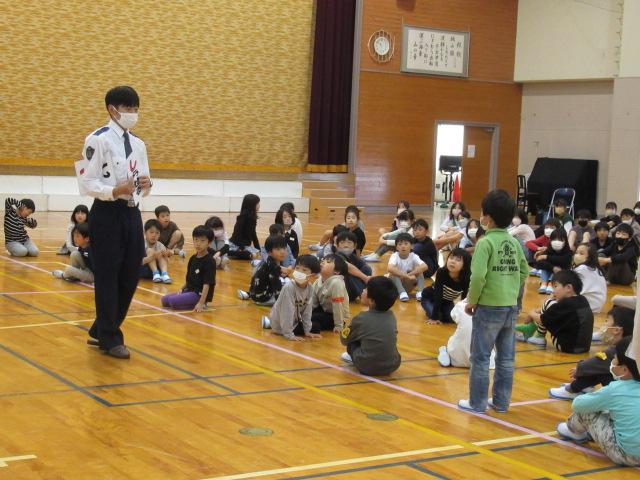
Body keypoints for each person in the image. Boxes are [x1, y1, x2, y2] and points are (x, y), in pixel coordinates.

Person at [80, 85, 152, 359]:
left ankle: (101, 327)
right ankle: (110, 338)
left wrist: (147, 185)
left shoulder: (139, 144)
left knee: (131, 273)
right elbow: (87, 183)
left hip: (132, 213)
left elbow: (143, 183)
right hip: (107, 213)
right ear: (112, 110)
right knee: (108, 276)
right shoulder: (97, 140)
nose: (133, 113)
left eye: (136, 108)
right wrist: (113, 191)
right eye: (127, 108)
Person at [458, 189, 529, 414]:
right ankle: (501, 402)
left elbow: (478, 276)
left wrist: (472, 300)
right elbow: (524, 271)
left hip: (489, 307)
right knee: (506, 358)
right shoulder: (514, 242)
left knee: (480, 357)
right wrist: (512, 291)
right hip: (510, 306)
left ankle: (477, 403)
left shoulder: (485, 243)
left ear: (487, 217)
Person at [557, 336, 640, 466]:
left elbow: (578, 405)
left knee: (587, 412)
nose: (612, 361)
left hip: (626, 455)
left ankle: (573, 431)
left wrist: (597, 400)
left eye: (614, 359)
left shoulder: (615, 389)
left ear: (624, 369)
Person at [549, 306, 635, 400]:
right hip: (630, 388)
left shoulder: (616, 350)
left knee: (598, 369)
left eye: (606, 321)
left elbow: (596, 362)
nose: (604, 324)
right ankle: (584, 386)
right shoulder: (631, 345)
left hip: (624, 392)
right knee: (600, 368)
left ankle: (572, 389)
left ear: (616, 330)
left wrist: (579, 369)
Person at [340, 276, 401, 376]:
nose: (363, 290)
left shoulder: (361, 318)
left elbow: (344, 340)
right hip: (392, 365)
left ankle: (356, 358)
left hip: (366, 367)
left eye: (366, 289)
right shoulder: (391, 316)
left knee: (352, 343)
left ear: (372, 301)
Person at [521, 270, 594, 352]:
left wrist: (531, 313)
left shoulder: (565, 304)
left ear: (568, 288)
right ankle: (535, 332)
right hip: (584, 347)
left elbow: (541, 319)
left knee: (548, 303)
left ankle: (539, 336)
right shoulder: (583, 300)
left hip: (566, 347)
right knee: (550, 307)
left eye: (555, 286)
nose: (553, 291)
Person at [261, 255, 322, 341]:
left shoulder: (310, 288)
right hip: (281, 324)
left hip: (293, 321)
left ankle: (269, 323)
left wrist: (307, 331)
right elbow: (287, 312)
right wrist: (289, 335)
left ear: (312, 275)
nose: (299, 272)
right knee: (315, 326)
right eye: (297, 268)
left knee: (316, 327)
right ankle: (272, 324)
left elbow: (307, 311)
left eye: (304, 270)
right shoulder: (289, 287)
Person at [162, 226, 216, 312]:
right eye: (196, 240)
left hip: (199, 294)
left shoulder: (209, 261)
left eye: (202, 241)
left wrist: (201, 303)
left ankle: (202, 303)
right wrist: (182, 288)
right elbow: (190, 279)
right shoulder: (193, 258)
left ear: (209, 242)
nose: (198, 243)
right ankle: (187, 299)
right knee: (164, 300)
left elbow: (207, 284)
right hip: (189, 290)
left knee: (172, 301)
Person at [437, 299, 496, 370]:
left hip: (457, 360)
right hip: (485, 363)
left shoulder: (460, 306)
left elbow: (454, 317)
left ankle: (444, 351)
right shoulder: (493, 309)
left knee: (454, 338)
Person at [421, 248, 471, 324]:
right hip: (430, 298)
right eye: (451, 258)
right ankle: (431, 309)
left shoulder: (466, 278)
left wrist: (463, 315)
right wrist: (434, 317)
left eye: (458, 260)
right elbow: (438, 294)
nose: (453, 261)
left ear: (464, 266)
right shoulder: (442, 272)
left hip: (447, 302)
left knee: (451, 319)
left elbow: (464, 298)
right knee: (438, 317)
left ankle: (439, 311)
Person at [237, 235, 287, 306]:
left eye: (284, 248)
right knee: (287, 291)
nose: (282, 252)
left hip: (255, 294)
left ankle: (248, 294)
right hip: (263, 298)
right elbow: (276, 286)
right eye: (278, 249)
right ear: (269, 252)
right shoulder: (273, 266)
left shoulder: (269, 261)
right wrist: (281, 303)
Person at [311, 254, 350, 333]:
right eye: (323, 260)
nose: (322, 262)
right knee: (306, 316)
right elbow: (312, 302)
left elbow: (338, 305)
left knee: (314, 318)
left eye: (328, 262)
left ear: (337, 271)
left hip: (337, 317)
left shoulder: (337, 283)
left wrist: (339, 325)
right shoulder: (318, 280)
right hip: (324, 310)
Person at [387, 233, 428, 302]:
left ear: (412, 246)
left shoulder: (413, 256)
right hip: (394, 286)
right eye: (400, 244)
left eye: (406, 244)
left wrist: (409, 274)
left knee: (420, 271)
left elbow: (425, 266)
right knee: (393, 273)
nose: (403, 246)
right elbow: (390, 268)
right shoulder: (394, 256)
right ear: (396, 247)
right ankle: (402, 292)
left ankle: (420, 292)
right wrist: (405, 275)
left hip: (406, 285)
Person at [532, 228, 572, 294]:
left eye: (560, 240)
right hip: (549, 273)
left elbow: (564, 261)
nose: (557, 242)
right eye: (554, 239)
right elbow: (539, 263)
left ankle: (551, 284)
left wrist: (546, 257)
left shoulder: (568, 252)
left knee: (558, 268)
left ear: (565, 241)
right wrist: (552, 268)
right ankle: (544, 283)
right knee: (545, 268)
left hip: (561, 275)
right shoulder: (548, 250)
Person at [334, 231, 372, 301]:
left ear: (355, 246)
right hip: (341, 289)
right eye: (342, 243)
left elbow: (365, 266)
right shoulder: (337, 256)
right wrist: (365, 278)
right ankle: (360, 294)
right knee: (349, 274)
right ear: (337, 246)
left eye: (349, 242)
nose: (346, 245)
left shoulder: (353, 257)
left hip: (352, 288)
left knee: (366, 268)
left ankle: (364, 291)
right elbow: (347, 266)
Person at [572, 243, 606, 314]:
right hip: (595, 306)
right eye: (576, 253)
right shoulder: (596, 269)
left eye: (581, 253)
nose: (577, 255)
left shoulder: (583, 268)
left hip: (586, 306)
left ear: (590, 257)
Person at [140, 219, 172, 284]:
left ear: (160, 234)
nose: (154, 235)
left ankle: (164, 274)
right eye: (151, 232)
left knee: (161, 253)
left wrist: (165, 256)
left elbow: (168, 262)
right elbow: (137, 263)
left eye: (157, 233)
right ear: (145, 233)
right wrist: (152, 257)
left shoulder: (161, 245)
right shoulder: (141, 244)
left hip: (158, 272)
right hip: (143, 270)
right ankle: (155, 273)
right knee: (150, 250)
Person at [229, 193, 260, 260]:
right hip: (237, 245)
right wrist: (242, 248)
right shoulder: (242, 218)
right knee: (248, 255)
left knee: (256, 253)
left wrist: (258, 248)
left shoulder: (252, 218)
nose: (259, 205)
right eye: (257, 203)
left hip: (245, 245)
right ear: (251, 205)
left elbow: (253, 233)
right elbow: (237, 234)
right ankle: (232, 252)